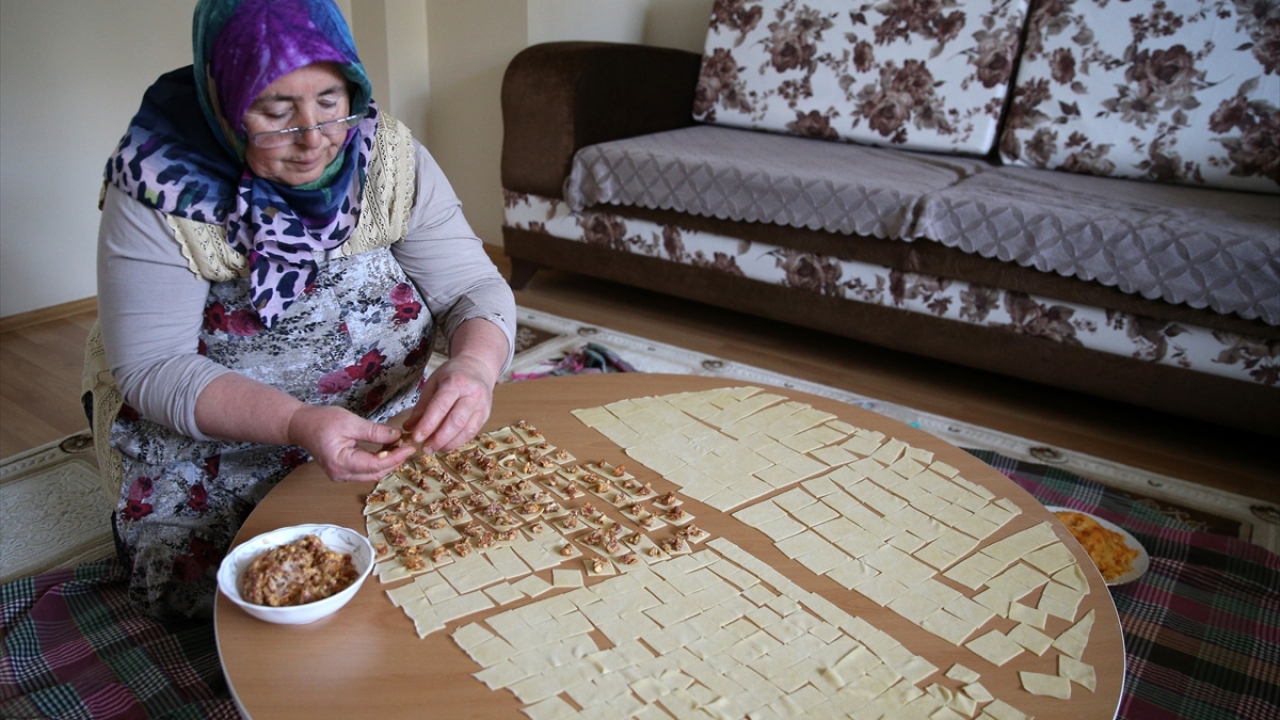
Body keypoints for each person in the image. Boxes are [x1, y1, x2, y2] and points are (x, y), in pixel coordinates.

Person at [83, 0, 516, 618]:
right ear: (222, 96)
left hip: (385, 427)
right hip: (217, 450)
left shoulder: (385, 156)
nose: (313, 139)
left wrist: (473, 367)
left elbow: (472, 285)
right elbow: (154, 367)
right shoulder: (159, 183)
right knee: (259, 603)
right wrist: (297, 424)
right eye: (275, 113)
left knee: (455, 563)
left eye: (331, 101)